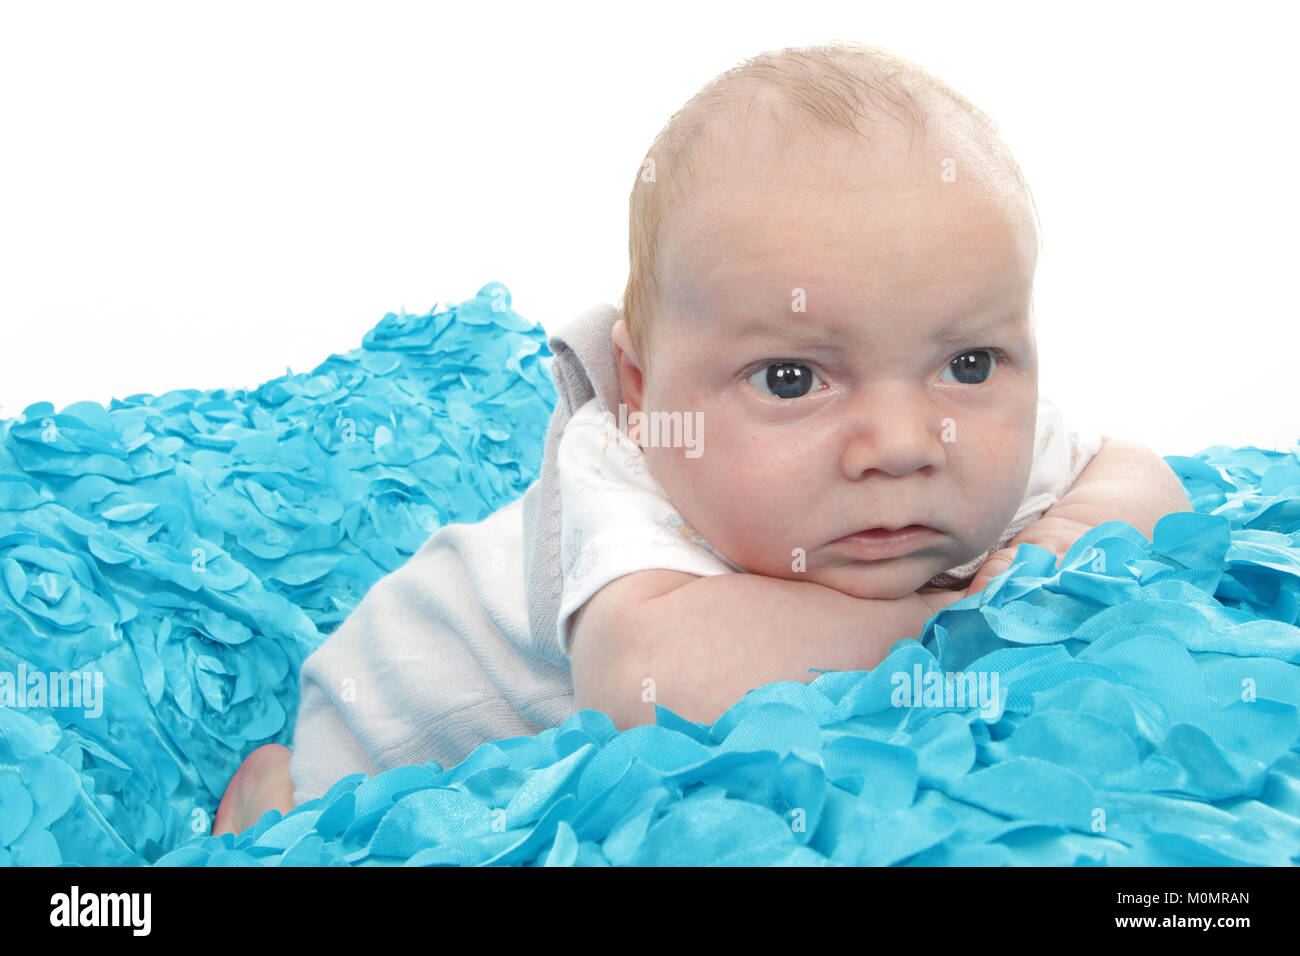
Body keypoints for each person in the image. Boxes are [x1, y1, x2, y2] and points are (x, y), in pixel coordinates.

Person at [213, 42, 1191, 837]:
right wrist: (962, 621)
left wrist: (1056, 552)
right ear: (642, 390)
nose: (903, 442)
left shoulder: (970, 434)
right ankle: (268, 793)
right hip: (379, 743)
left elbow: (1139, 477)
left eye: (969, 363)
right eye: (792, 378)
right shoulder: (627, 470)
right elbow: (654, 678)